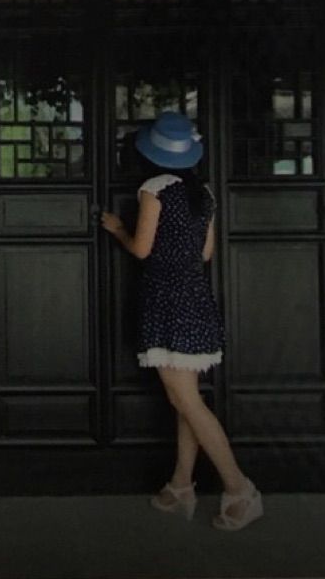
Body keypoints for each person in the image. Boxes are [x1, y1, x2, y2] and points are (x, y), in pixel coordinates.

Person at [101, 111, 263, 531]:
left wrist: (117, 229)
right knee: (185, 398)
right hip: (195, 298)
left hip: (166, 299)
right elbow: (206, 254)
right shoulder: (203, 194)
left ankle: (240, 488)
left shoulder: (153, 189)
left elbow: (141, 250)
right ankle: (180, 487)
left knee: (186, 401)